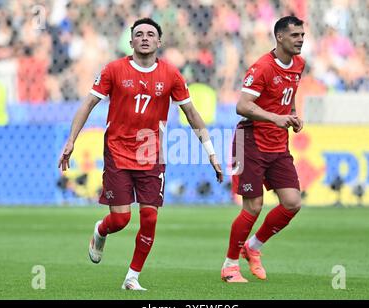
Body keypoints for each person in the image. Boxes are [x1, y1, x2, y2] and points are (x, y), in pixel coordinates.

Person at [58, 18, 223, 290]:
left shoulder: (171, 75)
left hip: (151, 154)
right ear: (131, 41)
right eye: (138, 34)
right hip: (117, 151)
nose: (144, 38)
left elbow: (191, 113)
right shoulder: (114, 70)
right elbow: (88, 104)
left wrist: (211, 153)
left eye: (150, 34)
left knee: (150, 217)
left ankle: (132, 277)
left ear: (159, 42)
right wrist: (71, 140)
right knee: (121, 219)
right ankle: (101, 230)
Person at [221, 16, 305, 283]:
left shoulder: (299, 64)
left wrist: (292, 115)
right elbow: (242, 106)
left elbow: (288, 98)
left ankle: (253, 247)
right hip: (251, 142)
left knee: (292, 203)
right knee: (253, 206)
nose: (300, 39)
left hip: (278, 143)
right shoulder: (262, 68)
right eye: (295, 35)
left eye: (302, 35)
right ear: (279, 37)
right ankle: (230, 265)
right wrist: (275, 118)